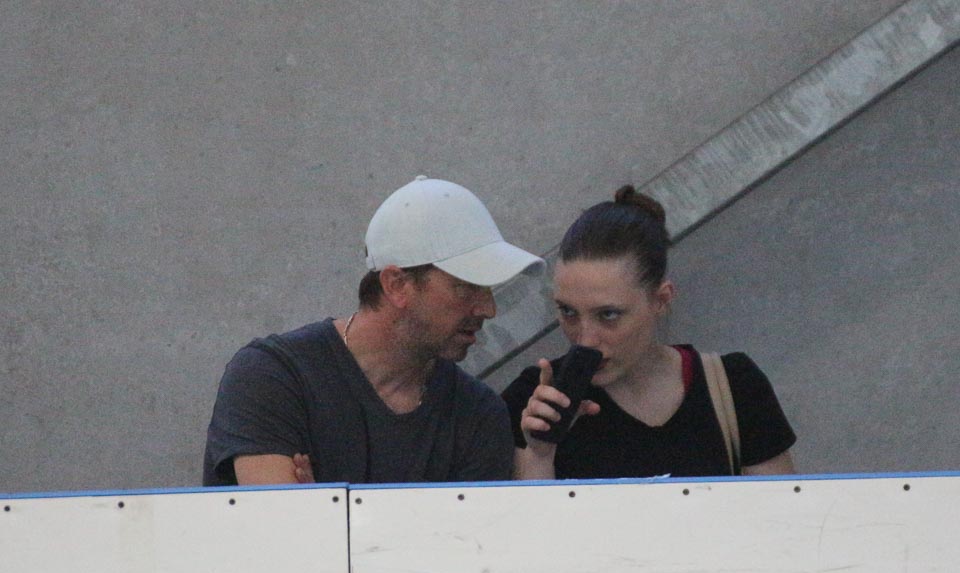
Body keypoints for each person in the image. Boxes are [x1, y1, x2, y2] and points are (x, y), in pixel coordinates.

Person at [203, 175, 544, 486]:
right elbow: (278, 525)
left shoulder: (479, 415)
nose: (488, 309)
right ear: (396, 285)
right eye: (466, 287)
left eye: (487, 289)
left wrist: (327, 510)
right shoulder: (273, 376)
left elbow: (469, 540)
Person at [503, 185, 796, 480]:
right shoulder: (535, 402)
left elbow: (781, 506)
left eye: (608, 315)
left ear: (661, 300)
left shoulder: (735, 386)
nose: (586, 340)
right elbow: (521, 511)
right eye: (568, 312)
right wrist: (539, 455)